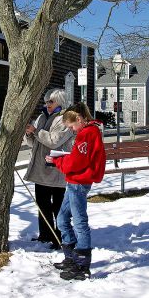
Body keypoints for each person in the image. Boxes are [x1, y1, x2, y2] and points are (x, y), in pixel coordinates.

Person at [45, 102, 106, 280]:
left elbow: (76, 163)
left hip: (79, 182)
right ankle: (70, 257)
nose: (71, 130)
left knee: (79, 222)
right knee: (63, 219)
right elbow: (77, 158)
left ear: (79, 119)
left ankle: (82, 265)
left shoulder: (87, 134)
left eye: (71, 126)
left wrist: (56, 161)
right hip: (73, 181)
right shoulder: (85, 133)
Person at [24, 88, 74, 249]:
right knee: (42, 203)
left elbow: (54, 141)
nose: (48, 104)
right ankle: (45, 234)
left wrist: (37, 131)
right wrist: (29, 134)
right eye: (46, 101)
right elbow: (35, 143)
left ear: (60, 101)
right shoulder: (41, 117)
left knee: (57, 205)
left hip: (56, 168)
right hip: (40, 168)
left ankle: (60, 237)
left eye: (51, 101)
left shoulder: (65, 118)